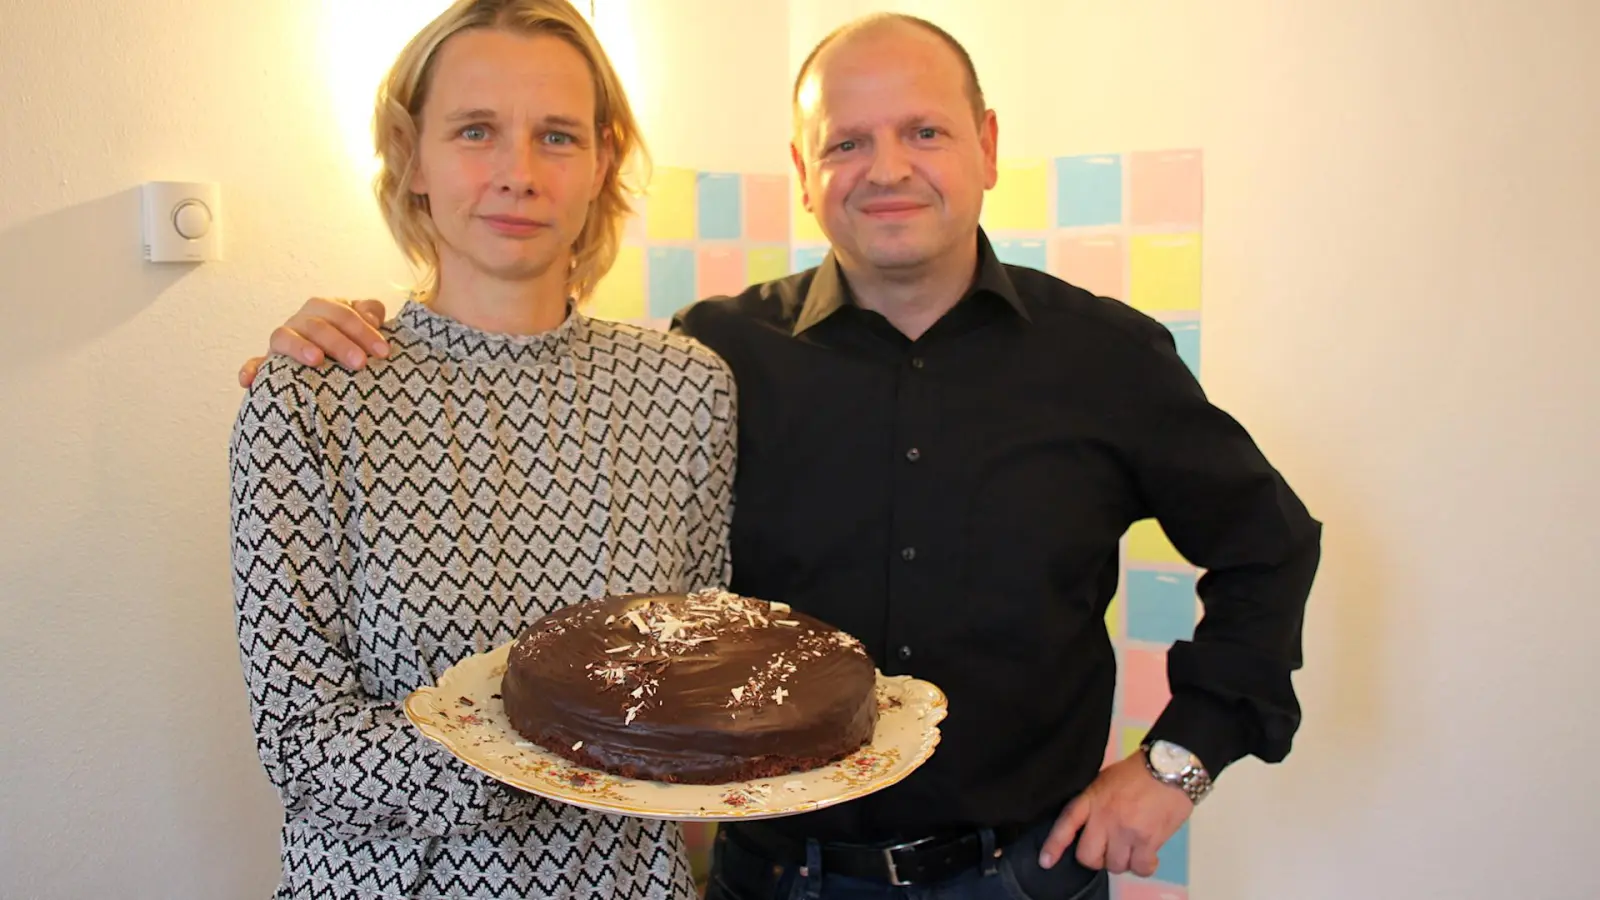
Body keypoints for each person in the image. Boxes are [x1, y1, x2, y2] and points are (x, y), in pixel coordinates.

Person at [238, 13, 1321, 900]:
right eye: (846, 142)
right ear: (804, 173)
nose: (885, 168)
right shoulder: (717, 356)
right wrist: (316, 357)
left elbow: (1269, 550)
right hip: (765, 878)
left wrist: (1177, 762)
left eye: (925, 133)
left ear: (987, 145)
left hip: (1012, 875)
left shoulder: (1101, 357)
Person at [227, 1, 732, 897]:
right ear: (412, 156)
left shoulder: (687, 390)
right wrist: (559, 762)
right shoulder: (313, 394)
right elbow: (302, 744)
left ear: (601, 162)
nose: (518, 172)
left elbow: (687, 680)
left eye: (558, 137)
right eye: (474, 131)